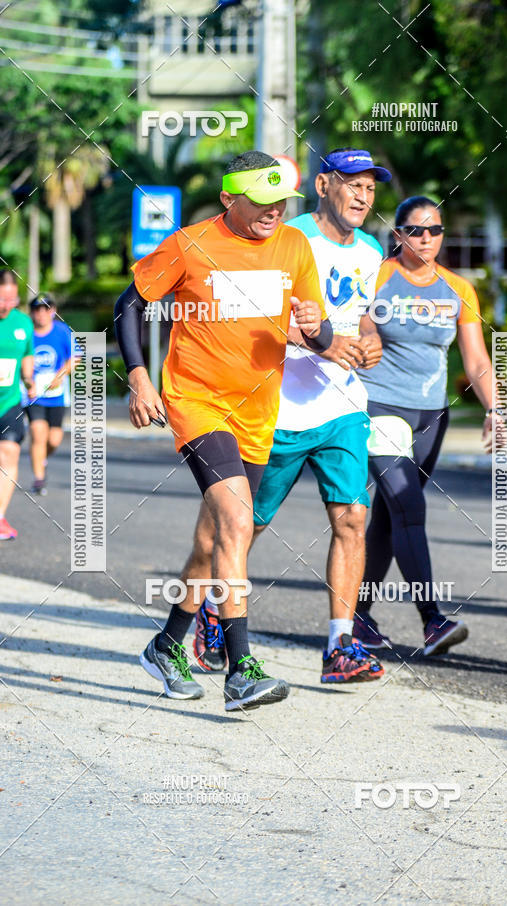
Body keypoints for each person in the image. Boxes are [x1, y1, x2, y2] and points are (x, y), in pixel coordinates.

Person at [114, 151, 332, 711]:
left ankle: (166, 644)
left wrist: (318, 329)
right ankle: (242, 670)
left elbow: (321, 332)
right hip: (196, 401)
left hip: (259, 412)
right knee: (237, 521)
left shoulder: (294, 245)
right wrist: (139, 377)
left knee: (214, 539)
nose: (275, 211)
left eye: (282, 201)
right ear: (230, 199)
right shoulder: (190, 244)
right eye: (262, 202)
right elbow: (130, 304)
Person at [212, 147, 389, 685]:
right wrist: (323, 344)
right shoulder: (289, 238)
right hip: (280, 407)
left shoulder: (372, 249)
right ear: (322, 186)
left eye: (371, 188)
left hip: (343, 408)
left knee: (352, 520)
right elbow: (260, 322)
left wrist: (370, 340)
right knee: (248, 525)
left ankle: (341, 645)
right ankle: (211, 614)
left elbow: (362, 317)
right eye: (352, 185)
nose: (363, 195)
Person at [353, 196, 499, 654]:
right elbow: (360, 329)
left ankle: (357, 618)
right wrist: (366, 338)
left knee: (391, 514)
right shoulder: (377, 275)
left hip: (431, 414)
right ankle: (431, 619)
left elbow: (476, 361)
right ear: (398, 235)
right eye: (416, 230)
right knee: (409, 507)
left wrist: (498, 409)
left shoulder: (458, 288)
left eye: (435, 230)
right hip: (379, 404)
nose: (427, 238)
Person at [24, 294, 74, 495]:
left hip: (57, 394)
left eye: (46, 309)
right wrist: (28, 381)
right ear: (32, 312)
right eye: (37, 309)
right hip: (33, 393)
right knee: (37, 432)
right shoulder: (27, 333)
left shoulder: (62, 331)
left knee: (53, 439)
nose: (42, 313)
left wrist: (60, 376)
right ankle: (38, 478)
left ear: (53, 311)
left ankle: (41, 458)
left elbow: (75, 357)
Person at [0, 278, 35, 540]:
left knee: (9, 452)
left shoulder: (23, 323)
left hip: (9, 401)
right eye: (2, 299)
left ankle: (0, 517)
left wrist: (29, 379)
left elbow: (27, 355)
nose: (6, 305)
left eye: (11, 299)